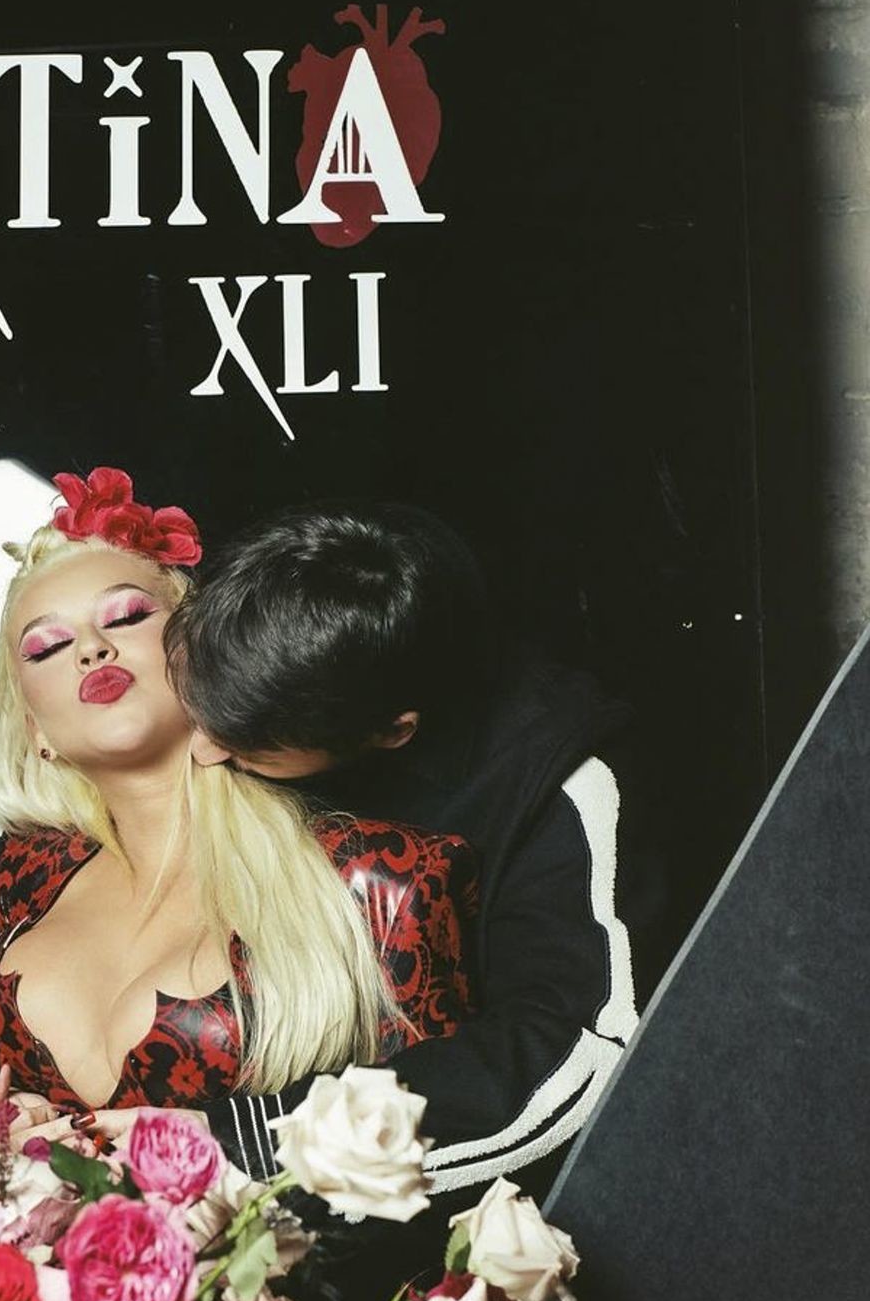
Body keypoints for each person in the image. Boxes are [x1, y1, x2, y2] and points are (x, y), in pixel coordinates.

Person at [0, 469, 479, 1172]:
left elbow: (434, 1144)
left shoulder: (381, 880)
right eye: (46, 647)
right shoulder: (12, 883)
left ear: (206, 650)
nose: (91, 649)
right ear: (36, 731)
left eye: (126, 617)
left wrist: (238, 1147)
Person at [163, 500, 663, 1204]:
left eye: (245, 746)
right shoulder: (287, 635)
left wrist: (255, 1145)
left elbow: (575, 1048)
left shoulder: (564, 777)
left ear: (392, 732)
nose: (200, 752)